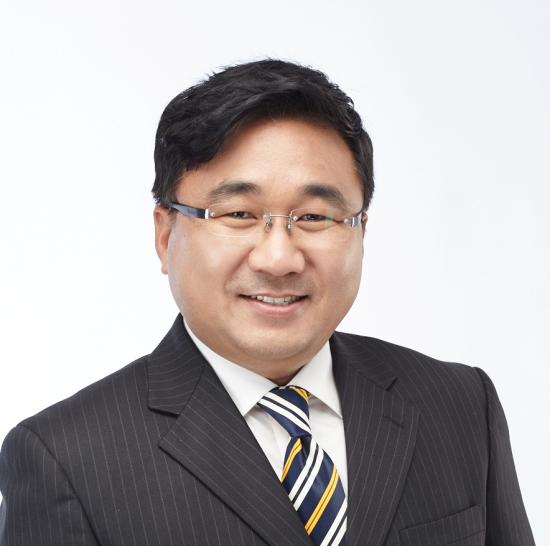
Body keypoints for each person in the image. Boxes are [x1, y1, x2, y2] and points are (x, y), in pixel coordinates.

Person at [0, 60, 535, 546]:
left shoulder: (460, 404)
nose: (279, 258)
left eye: (315, 217)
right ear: (165, 235)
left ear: (361, 230)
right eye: (238, 214)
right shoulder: (64, 459)